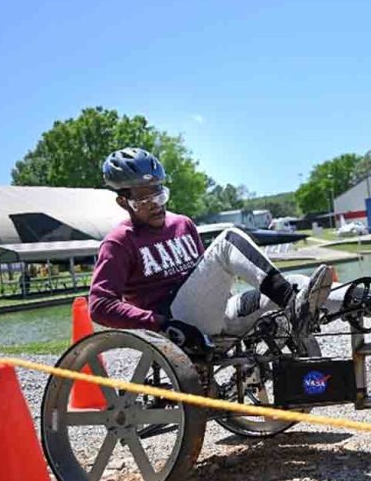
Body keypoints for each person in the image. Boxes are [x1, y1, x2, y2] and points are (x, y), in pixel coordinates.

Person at [89, 147, 332, 352]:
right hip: (174, 321)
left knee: (301, 282)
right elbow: (100, 306)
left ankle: (359, 299)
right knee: (228, 240)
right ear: (123, 202)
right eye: (145, 201)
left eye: (160, 196)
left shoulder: (182, 224)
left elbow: (206, 277)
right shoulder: (119, 242)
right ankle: (294, 304)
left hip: (217, 312)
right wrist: (160, 324)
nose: (156, 206)